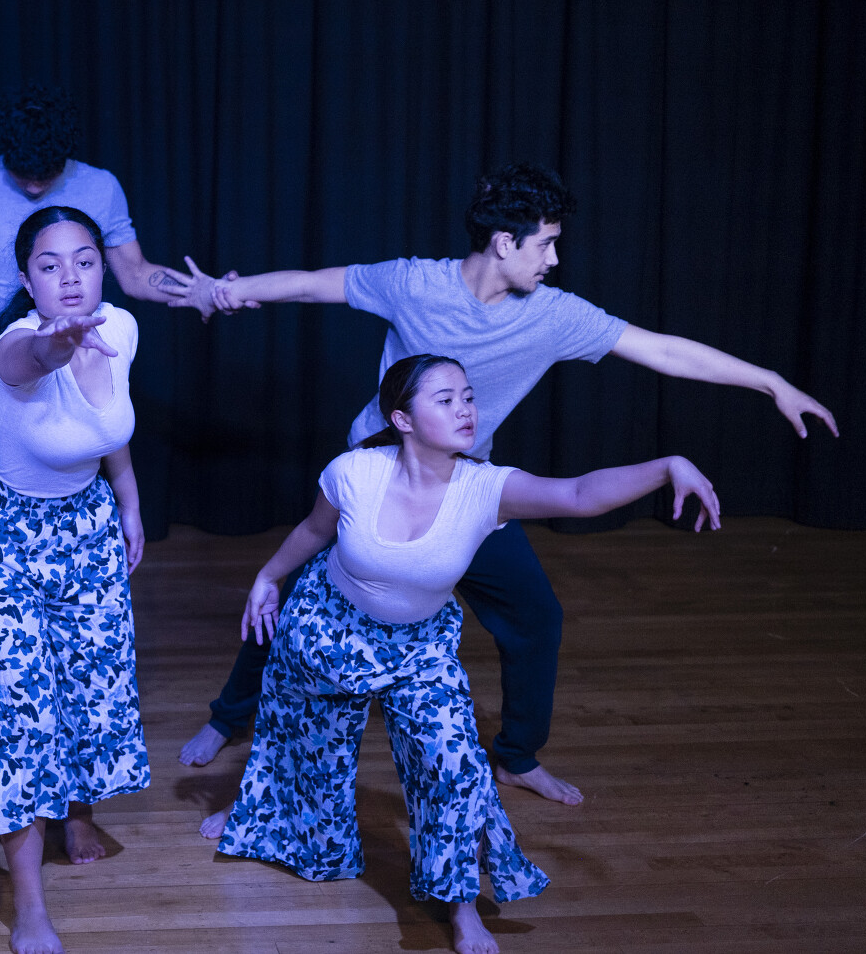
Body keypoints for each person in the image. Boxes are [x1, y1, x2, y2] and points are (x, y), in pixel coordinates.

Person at [183, 163, 837, 805]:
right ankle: (229, 715)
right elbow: (310, 285)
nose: (554, 258)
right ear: (504, 242)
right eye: (545, 244)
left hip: (466, 491)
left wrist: (771, 382)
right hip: (379, 476)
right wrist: (223, 291)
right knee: (296, 596)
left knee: (535, 617)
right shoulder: (414, 283)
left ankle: (518, 757)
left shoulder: (553, 315)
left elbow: (661, 349)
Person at [203, 354, 720, 954]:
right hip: (328, 630)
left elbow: (579, 494)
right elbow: (315, 531)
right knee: (300, 745)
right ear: (402, 419)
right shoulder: (353, 471)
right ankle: (258, 815)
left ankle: (461, 907)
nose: (465, 410)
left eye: (468, 397)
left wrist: (668, 466)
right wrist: (268, 577)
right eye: (445, 400)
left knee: (453, 768)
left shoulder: (485, 489)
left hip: (420, 650)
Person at [0, 206, 149, 954]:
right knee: (20, 707)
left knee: (89, 684)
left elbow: (108, 427)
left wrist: (129, 500)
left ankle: (76, 809)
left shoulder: (122, 328)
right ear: (27, 280)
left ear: (103, 267)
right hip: (1, 537)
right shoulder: (14, 344)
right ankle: (29, 904)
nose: (70, 277)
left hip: (85, 526)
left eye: (85, 260)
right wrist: (53, 345)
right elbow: (30, 361)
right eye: (50, 265)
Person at [0, 83, 221, 384]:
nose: (34, 186)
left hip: (81, 372)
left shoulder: (100, 187)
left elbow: (135, 273)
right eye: (23, 174)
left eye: (46, 174)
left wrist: (199, 290)